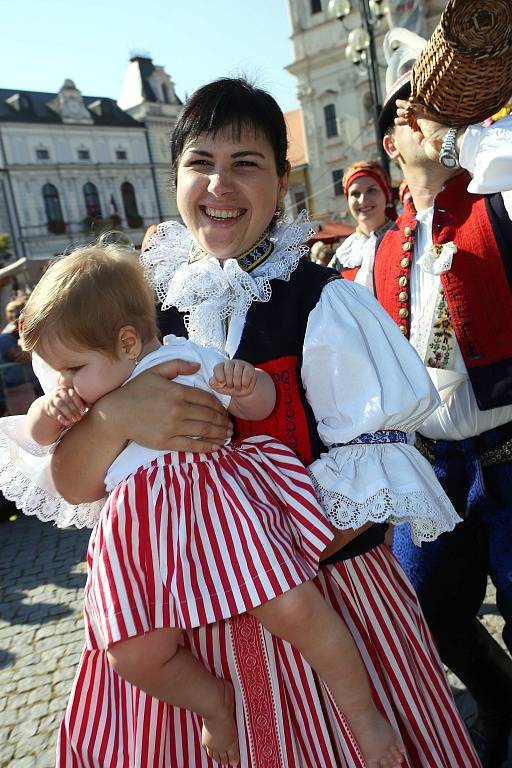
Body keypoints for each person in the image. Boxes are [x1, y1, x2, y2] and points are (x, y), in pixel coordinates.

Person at [2, 78, 480, 767]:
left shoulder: (322, 303)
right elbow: (76, 486)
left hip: (315, 597)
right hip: (181, 630)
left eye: (245, 163)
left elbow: (371, 483)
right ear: (174, 179)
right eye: (200, 163)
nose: (219, 184)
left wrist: (241, 567)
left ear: (283, 180)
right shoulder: (127, 314)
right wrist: (111, 417)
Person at [20, 244, 407, 768]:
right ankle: (214, 705)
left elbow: (260, 403)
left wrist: (247, 387)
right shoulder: (87, 397)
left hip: (217, 514)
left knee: (297, 610)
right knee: (131, 653)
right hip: (144, 536)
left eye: (72, 369)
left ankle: (364, 716)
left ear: (128, 342)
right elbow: (42, 442)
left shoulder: (183, 357)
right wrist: (51, 409)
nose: (64, 383)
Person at [350, 26, 512, 768]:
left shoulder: (498, 201)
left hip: (509, 457)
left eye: (442, 111)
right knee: (425, 612)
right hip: (432, 472)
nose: (433, 121)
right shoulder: (381, 249)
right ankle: (500, 697)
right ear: (393, 138)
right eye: (417, 110)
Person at [329, 161, 395, 286]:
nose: (363, 199)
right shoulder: (342, 255)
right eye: (355, 194)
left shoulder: (406, 239)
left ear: (387, 194)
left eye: (371, 190)